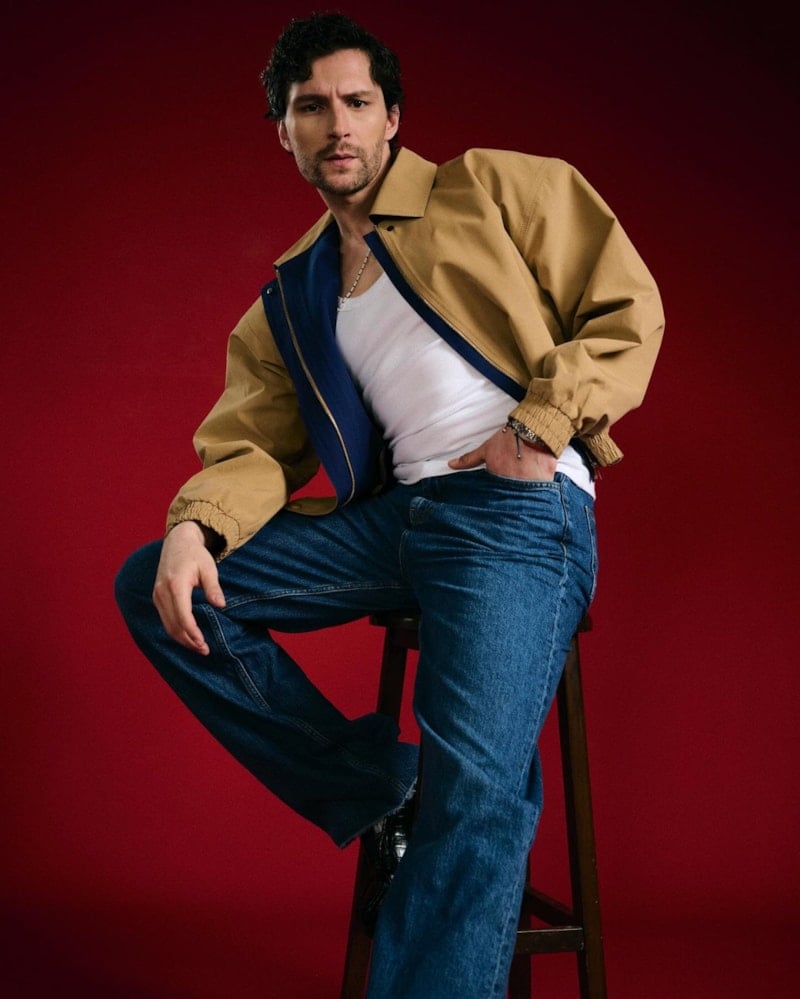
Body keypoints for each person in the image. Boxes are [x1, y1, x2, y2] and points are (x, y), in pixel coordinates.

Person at [115, 11, 664, 998]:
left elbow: (626, 307)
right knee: (163, 584)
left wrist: (540, 427)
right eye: (310, 107)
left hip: (513, 512)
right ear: (283, 131)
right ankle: (381, 786)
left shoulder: (493, 187)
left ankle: (431, 818)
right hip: (399, 523)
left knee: (477, 798)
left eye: (356, 102)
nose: (336, 124)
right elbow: (251, 444)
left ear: (392, 116)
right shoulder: (295, 293)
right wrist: (193, 526)